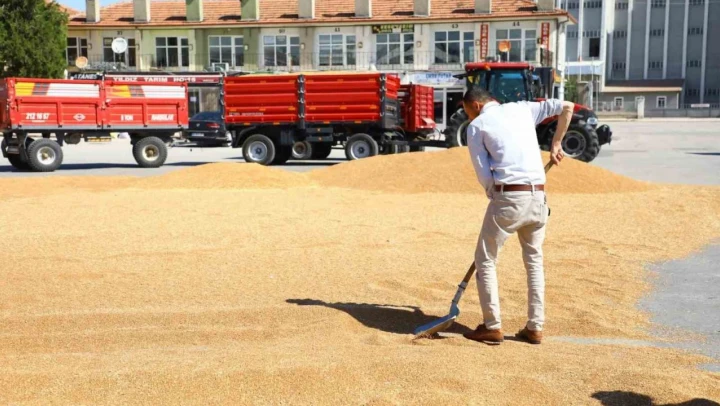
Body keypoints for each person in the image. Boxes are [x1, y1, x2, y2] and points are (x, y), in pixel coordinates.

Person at [461, 87, 573, 345]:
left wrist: (494, 195)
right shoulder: (523, 108)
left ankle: (492, 326)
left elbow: (483, 173)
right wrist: (556, 143)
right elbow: (567, 107)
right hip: (538, 196)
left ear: (476, 105)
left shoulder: (477, 126)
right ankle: (535, 327)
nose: (468, 117)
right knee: (534, 260)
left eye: (467, 112)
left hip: (508, 196)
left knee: (485, 260)